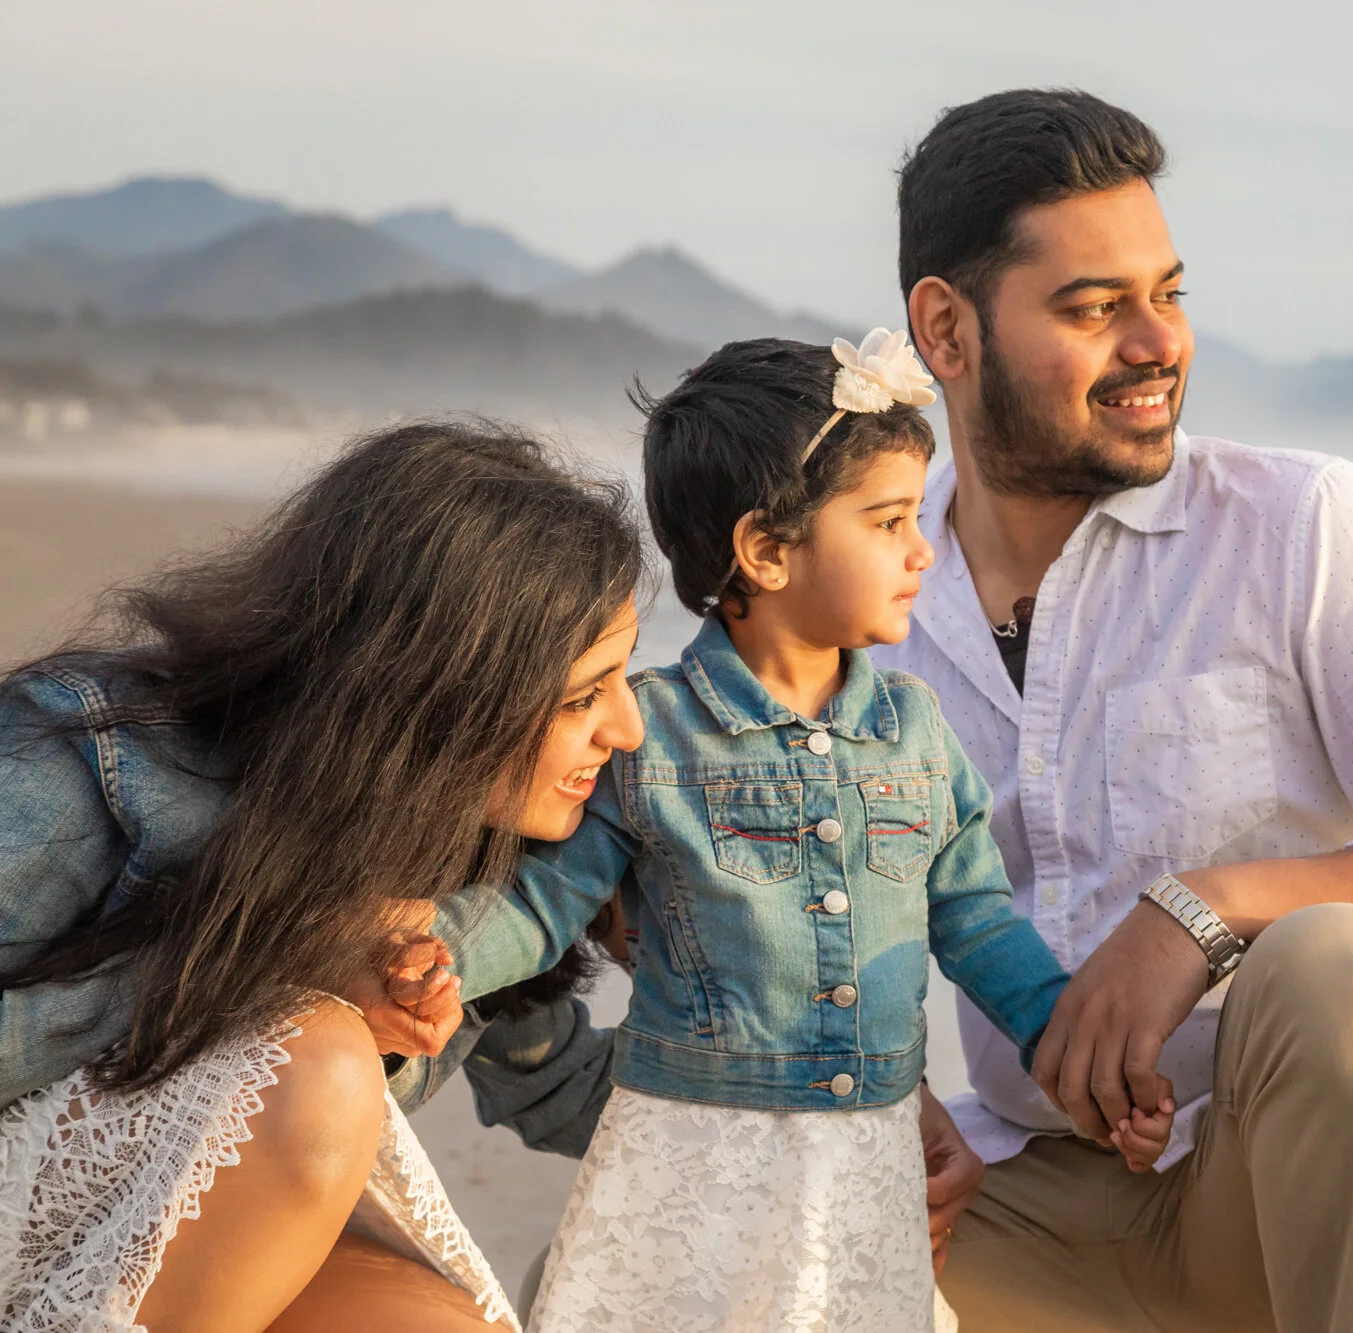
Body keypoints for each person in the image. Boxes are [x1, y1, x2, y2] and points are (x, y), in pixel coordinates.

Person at [870, 89, 1353, 1332]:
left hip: (1281, 1202)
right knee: (689, 1224)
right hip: (1014, 1206)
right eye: (1094, 309)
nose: (1157, 343)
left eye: (1168, 292)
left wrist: (1204, 909)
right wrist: (876, 1096)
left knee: (1338, 955)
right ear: (946, 329)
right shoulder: (870, 591)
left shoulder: (1301, 527)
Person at [427, 334, 1165, 1332]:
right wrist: (427, 958)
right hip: (686, 1151)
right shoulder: (650, 735)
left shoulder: (915, 732)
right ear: (766, 550)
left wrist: (1085, 1064)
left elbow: (978, 927)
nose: (922, 549)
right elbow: (544, 907)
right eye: (888, 520)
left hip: (863, 1153)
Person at [0, 421, 648, 1331]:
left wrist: (830, 1105)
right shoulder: (90, 758)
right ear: (445, 692)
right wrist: (267, 959)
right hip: (29, 1219)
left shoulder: (462, 835)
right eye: (586, 694)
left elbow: (549, 1081)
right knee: (323, 1063)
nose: (626, 728)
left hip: (193, 1232)